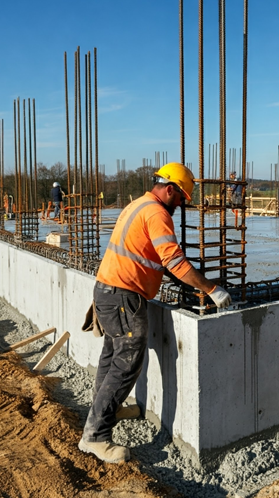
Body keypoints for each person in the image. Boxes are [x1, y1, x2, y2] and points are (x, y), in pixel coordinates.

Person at [78, 162, 232, 464]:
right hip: (123, 296)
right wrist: (211, 289)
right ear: (170, 189)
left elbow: (156, 259)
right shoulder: (157, 213)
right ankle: (95, 436)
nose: (180, 205)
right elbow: (174, 261)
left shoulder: (139, 204)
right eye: (180, 198)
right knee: (127, 362)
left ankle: (107, 409)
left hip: (108, 291)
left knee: (112, 356)